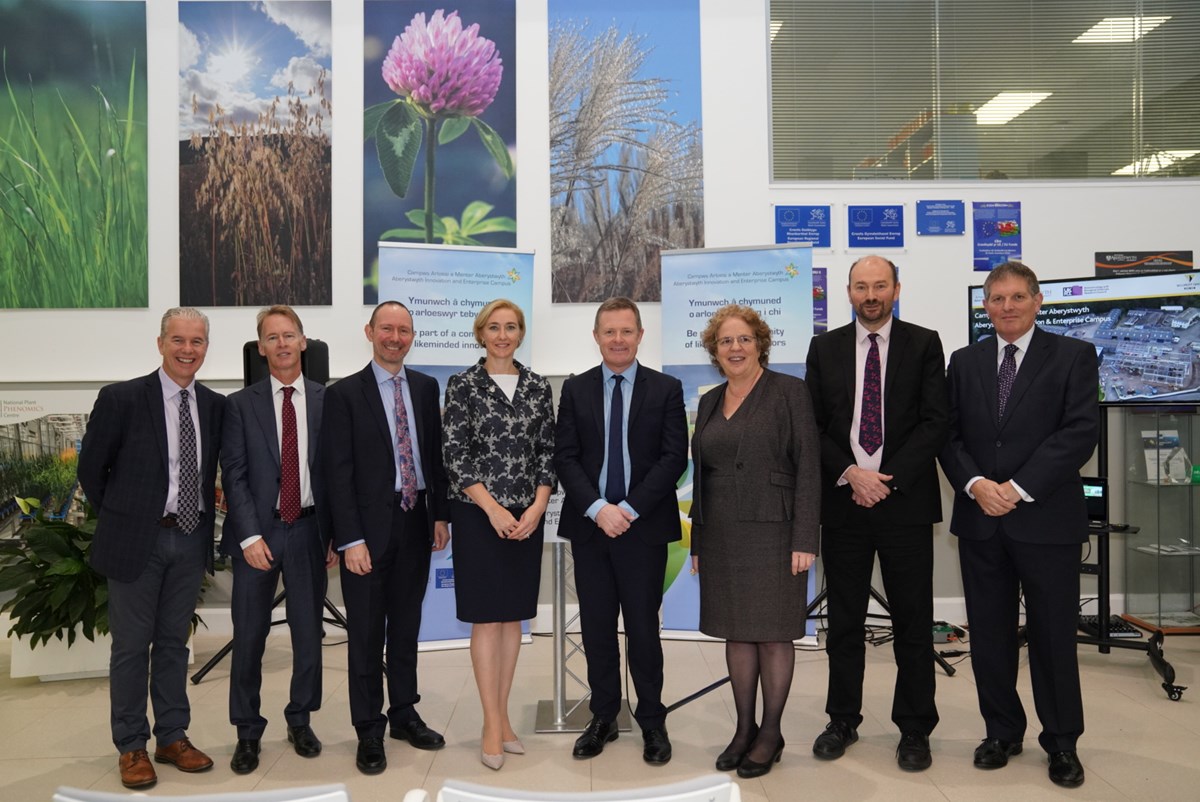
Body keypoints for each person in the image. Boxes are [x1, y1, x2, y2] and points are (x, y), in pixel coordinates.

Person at [939, 261, 1099, 789]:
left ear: (1037, 302)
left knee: (1054, 637)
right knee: (988, 635)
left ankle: (1062, 743)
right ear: (985, 305)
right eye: (996, 298)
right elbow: (949, 436)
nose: (1006, 307)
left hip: (1045, 519)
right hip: (981, 520)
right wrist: (977, 485)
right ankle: (1002, 731)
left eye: (1016, 297)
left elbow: (1078, 433)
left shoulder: (1073, 355)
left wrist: (1017, 488)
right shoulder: (964, 361)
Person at [803, 256, 948, 772]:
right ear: (847, 292)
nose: (871, 295)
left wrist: (884, 479)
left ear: (896, 289)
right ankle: (842, 719)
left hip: (903, 502)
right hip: (844, 504)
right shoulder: (824, 348)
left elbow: (936, 422)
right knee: (844, 621)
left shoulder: (924, 343)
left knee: (912, 620)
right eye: (861, 286)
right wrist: (852, 474)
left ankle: (914, 728)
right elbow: (813, 426)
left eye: (880, 286)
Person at [77, 307, 225, 789]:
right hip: (136, 541)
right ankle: (131, 745)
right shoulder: (121, 398)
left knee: (172, 644)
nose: (187, 350)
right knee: (130, 648)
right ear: (160, 343)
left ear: (206, 347)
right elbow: (91, 471)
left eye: (197, 341)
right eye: (178, 340)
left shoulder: (213, 405)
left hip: (190, 537)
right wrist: (127, 516)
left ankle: (172, 737)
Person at [553, 297, 687, 765]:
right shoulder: (576, 389)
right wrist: (596, 508)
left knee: (644, 630)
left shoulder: (667, 388)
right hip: (592, 528)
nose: (618, 339)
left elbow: (674, 459)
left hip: (642, 528)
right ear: (596, 336)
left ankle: (652, 719)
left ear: (640, 335)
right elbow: (565, 455)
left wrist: (626, 509)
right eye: (609, 331)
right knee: (596, 628)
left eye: (626, 331)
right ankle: (603, 716)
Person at [689, 304, 820, 779]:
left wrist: (805, 536)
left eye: (743, 339)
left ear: (760, 342)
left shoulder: (789, 392)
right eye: (725, 341)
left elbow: (809, 466)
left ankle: (771, 732)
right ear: (714, 350)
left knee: (773, 632)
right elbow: (702, 477)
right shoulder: (708, 401)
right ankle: (743, 729)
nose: (735, 348)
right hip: (721, 531)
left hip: (776, 530)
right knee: (737, 631)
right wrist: (698, 541)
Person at [320, 300, 451, 775]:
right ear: (370, 332)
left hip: (416, 524)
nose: (395, 337)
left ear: (412, 336)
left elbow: (433, 460)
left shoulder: (424, 387)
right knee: (366, 635)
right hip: (367, 535)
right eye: (387, 329)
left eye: (404, 330)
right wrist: (349, 538)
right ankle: (369, 729)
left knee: (406, 630)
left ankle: (404, 715)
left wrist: (440, 516)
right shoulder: (344, 395)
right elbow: (336, 473)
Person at [220, 305, 337, 774]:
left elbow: (334, 474)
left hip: (311, 531)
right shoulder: (239, 405)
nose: (283, 344)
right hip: (258, 533)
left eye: (290, 335)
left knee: (309, 634)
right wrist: (248, 534)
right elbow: (235, 474)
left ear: (304, 342)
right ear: (261, 348)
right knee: (250, 637)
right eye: (273, 337)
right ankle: (247, 732)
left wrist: (338, 535)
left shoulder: (328, 400)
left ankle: (300, 719)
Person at [442, 299, 556, 771]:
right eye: (494, 327)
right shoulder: (463, 385)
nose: (503, 335)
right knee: (487, 619)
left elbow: (548, 451)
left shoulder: (537, 386)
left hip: (525, 517)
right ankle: (491, 723)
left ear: (521, 332)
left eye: (511, 327)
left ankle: (503, 716)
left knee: (513, 620)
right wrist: (491, 509)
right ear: (481, 333)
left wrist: (538, 507)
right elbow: (455, 454)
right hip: (477, 516)